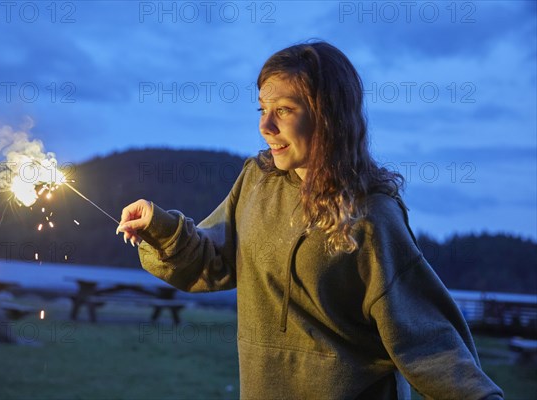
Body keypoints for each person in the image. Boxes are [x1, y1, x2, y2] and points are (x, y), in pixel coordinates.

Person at [117, 41, 504, 399]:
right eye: (262, 110)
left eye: (283, 110)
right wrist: (160, 226)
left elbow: (428, 342)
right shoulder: (257, 182)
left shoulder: (372, 215)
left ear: (328, 115)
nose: (265, 126)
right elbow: (212, 262)